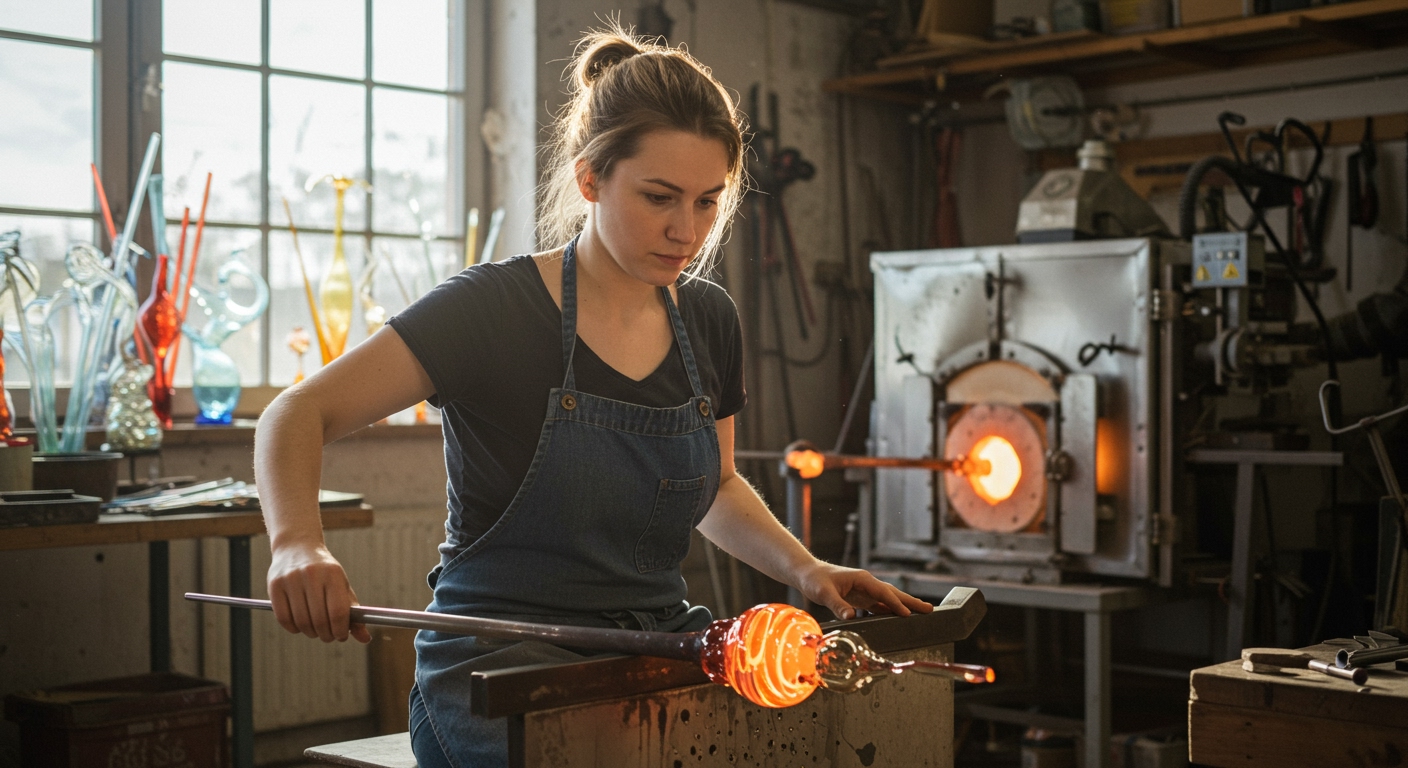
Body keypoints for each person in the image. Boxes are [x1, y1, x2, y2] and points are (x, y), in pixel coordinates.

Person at [256, 25, 932, 768]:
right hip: (501, 664)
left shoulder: (708, 317)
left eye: (709, 203)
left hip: (657, 643)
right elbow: (297, 413)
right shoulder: (494, 310)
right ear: (589, 180)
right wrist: (296, 543)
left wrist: (810, 571)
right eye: (658, 197)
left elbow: (717, 487)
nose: (686, 231)